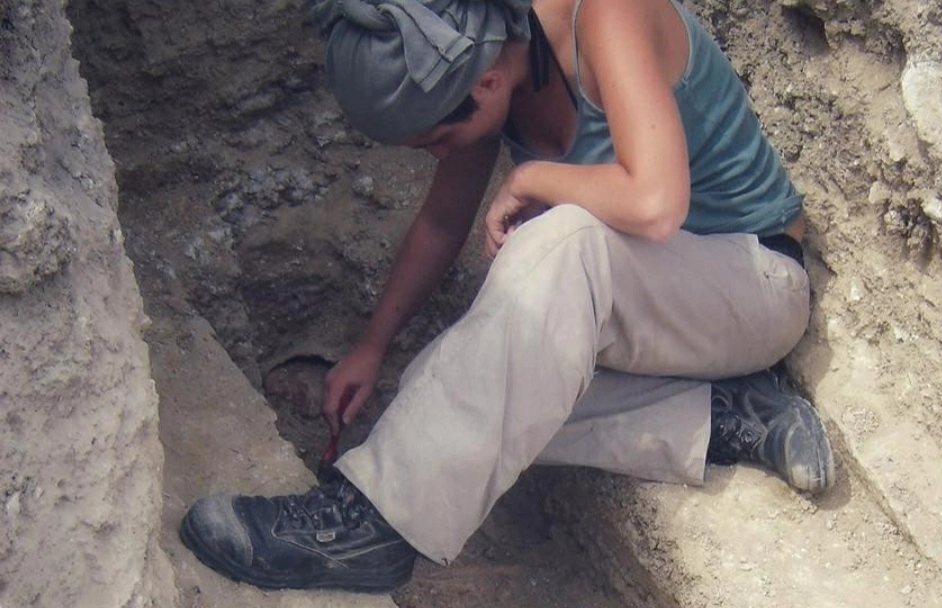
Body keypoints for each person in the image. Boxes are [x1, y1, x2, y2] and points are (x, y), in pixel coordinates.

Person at [179, 0, 836, 593]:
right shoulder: (491, 59)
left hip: (753, 287)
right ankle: (720, 416)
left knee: (561, 244)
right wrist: (372, 347)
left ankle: (366, 528)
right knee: (441, 391)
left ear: (485, 83)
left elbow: (657, 204)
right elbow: (441, 223)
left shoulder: (606, 16)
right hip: (658, 310)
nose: (442, 152)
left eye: (439, 139)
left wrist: (535, 176)